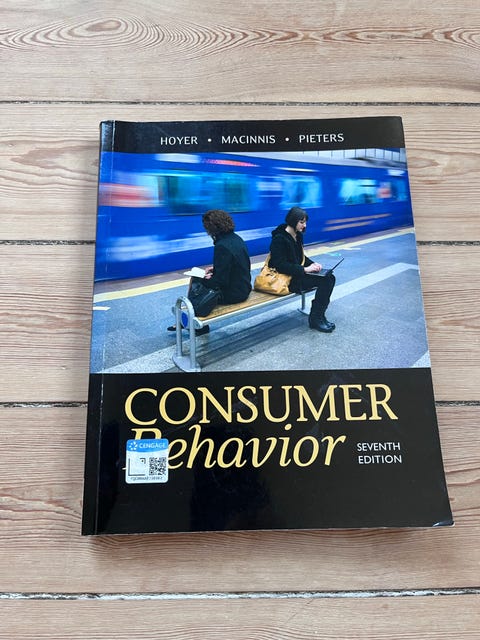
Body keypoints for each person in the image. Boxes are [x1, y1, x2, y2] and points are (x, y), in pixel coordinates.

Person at [168, 209, 251, 333]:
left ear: (211, 228)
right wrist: (216, 269)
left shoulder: (221, 246)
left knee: (196, 281)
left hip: (235, 294)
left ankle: (197, 324)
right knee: (201, 281)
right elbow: (236, 265)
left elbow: (220, 282)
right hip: (244, 287)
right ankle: (191, 319)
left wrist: (206, 278)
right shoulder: (237, 238)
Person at [269, 206, 336, 333]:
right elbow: (280, 265)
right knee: (325, 281)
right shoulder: (279, 239)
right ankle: (315, 319)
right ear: (292, 221)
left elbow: (301, 257)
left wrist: (313, 264)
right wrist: (305, 270)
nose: (304, 225)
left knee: (329, 277)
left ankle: (319, 315)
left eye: (305, 222)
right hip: (287, 279)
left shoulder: (297, 235)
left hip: (297, 274)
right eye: (301, 222)